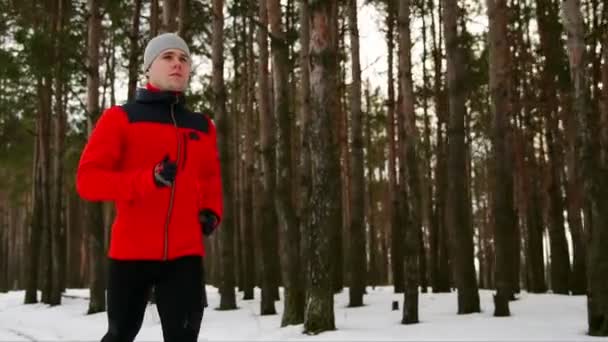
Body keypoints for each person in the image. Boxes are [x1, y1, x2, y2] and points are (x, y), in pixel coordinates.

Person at [76, 32, 223, 342]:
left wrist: (211, 211)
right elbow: (88, 181)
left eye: (183, 59)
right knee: (120, 334)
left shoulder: (201, 125)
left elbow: (210, 177)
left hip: (185, 255)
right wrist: (148, 180)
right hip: (131, 253)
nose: (177, 64)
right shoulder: (121, 118)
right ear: (148, 68)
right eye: (168, 57)